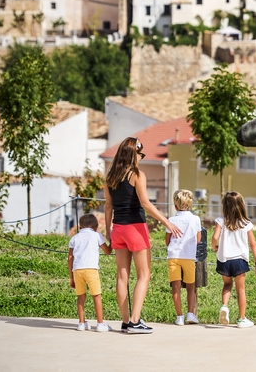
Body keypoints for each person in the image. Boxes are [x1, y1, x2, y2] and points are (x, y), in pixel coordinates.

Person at [104, 137, 182, 334]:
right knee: (144, 275)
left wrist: (108, 232)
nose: (141, 158)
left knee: (122, 277)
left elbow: (108, 206)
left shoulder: (110, 176)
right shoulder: (137, 175)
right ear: (133, 154)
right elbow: (146, 204)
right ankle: (135, 321)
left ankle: (125, 321)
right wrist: (167, 222)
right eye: (141, 154)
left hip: (118, 229)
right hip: (135, 228)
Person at [212, 191, 256, 328]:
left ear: (224, 206)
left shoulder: (221, 221)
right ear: (241, 205)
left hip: (224, 260)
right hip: (239, 260)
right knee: (241, 290)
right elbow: (253, 244)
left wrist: (214, 247)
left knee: (227, 285)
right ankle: (241, 319)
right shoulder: (246, 223)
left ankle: (224, 306)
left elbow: (215, 237)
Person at [68, 213, 112, 332]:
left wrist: (71, 277)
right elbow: (108, 251)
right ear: (95, 227)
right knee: (96, 296)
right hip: (91, 269)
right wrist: (112, 241)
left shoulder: (75, 238)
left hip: (77, 270)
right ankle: (100, 324)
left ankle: (81, 323)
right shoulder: (97, 235)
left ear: (80, 227)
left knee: (81, 297)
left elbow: (70, 258)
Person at [166, 189, 202, 326]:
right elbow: (198, 238)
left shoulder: (172, 220)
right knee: (190, 285)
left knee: (176, 286)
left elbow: (167, 240)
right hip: (189, 256)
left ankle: (179, 316)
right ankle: (191, 314)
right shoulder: (196, 219)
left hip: (173, 256)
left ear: (175, 206)